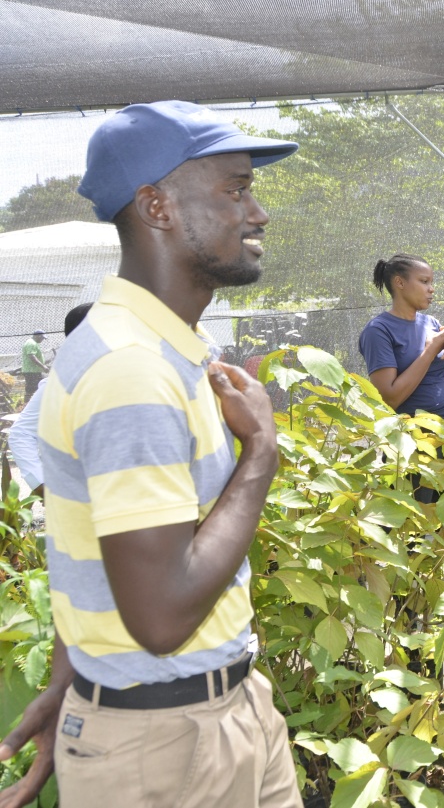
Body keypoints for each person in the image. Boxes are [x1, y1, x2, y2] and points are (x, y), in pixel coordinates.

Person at [0, 101, 302, 808]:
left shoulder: (161, 350)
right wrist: (259, 452)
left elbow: (89, 537)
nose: (258, 213)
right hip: (166, 748)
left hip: (224, 714)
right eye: (235, 189)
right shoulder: (129, 369)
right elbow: (160, 615)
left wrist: (71, 677)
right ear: (156, 206)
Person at [359, 252, 444, 435]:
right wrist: (430, 350)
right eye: (424, 282)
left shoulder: (431, 323)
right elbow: (389, 399)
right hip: (411, 433)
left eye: (431, 282)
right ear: (400, 283)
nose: (431, 289)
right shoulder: (378, 331)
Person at [8, 304, 92, 494]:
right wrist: (40, 483)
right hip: (31, 374)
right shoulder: (62, 381)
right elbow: (21, 433)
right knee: (28, 393)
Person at [20, 330, 49, 399]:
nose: (42, 340)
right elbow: (32, 356)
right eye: (42, 338)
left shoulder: (33, 343)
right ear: (37, 336)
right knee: (30, 390)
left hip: (35, 371)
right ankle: (25, 405)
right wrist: (43, 366)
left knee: (42, 386)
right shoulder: (31, 343)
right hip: (31, 371)